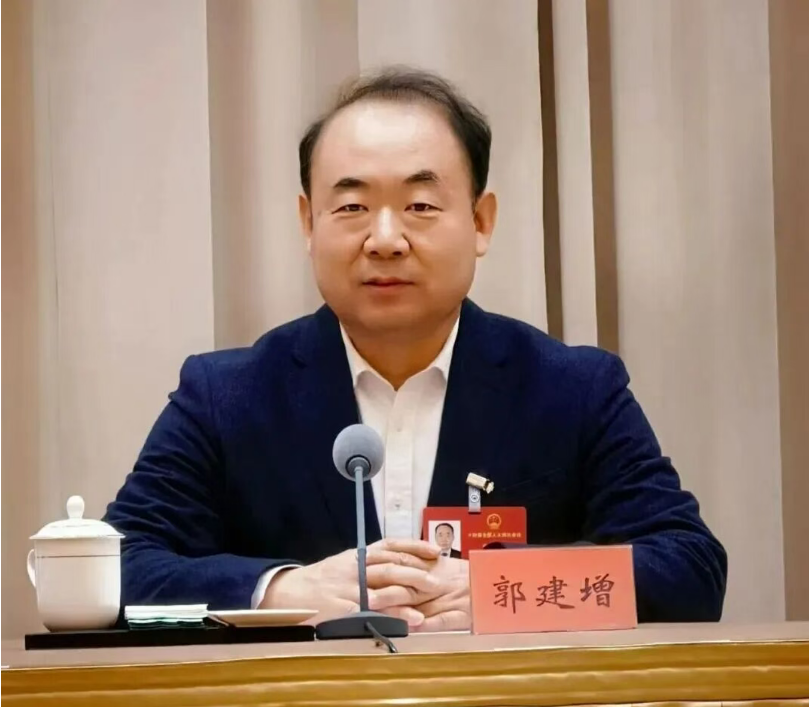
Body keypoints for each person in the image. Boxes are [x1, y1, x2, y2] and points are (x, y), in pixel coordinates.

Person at [104, 67, 727, 631]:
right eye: (352, 206)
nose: (385, 238)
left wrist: (503, 590)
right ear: (308, 223)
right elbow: (118, 568)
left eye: (420, 205)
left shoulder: (573, 388)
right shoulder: (227, 396)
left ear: (481, 222)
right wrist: (282, 591)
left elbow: (690, 569)